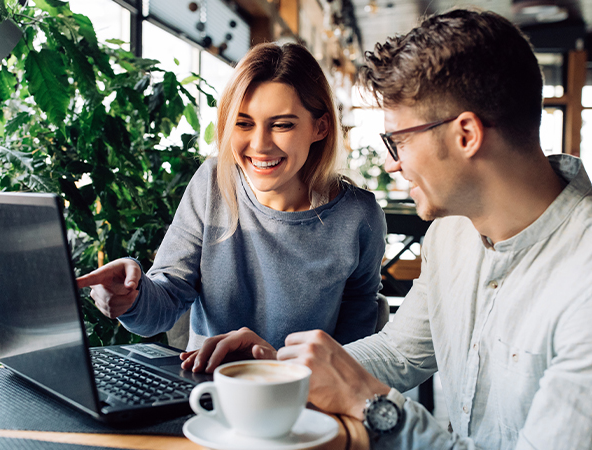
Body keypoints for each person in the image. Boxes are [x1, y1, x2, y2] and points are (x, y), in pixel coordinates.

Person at [183, 9, 592, 449]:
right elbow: (400, 352)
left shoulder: (581, 277)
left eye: (399, 140)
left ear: (467, 135)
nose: (393, 163)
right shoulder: (452, 233)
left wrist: (374, 405)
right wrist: (281, 370)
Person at [76, 43, 387, 358]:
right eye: (243, 123)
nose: (260, 145)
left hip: (302, 393)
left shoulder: (359, 216)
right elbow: (165, 303)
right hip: (207, 388)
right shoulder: (212, 182)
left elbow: (352, 343)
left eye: (282, 125)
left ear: (320, 127)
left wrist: (288, 373)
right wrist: (133, 295)